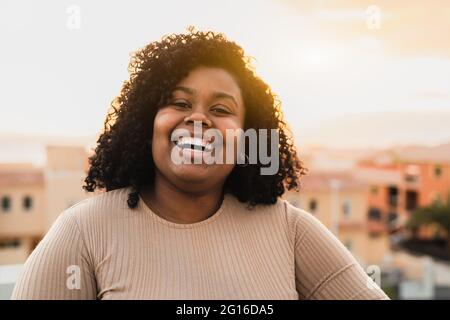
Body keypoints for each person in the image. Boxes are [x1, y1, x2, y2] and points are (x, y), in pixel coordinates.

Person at [12, 29, 389, 300]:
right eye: (179, 103)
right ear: (147, 123)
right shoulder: (83, 232)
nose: (199, 120)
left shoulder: (290, 230)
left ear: (246, 135)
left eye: (221, 109)